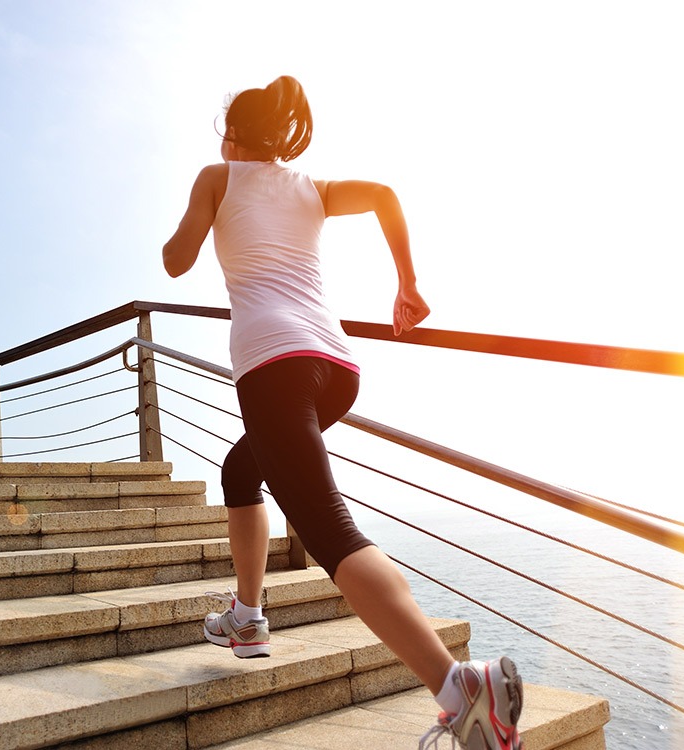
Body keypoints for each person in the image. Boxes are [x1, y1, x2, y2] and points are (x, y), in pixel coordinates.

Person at [162, 75, 523, 750]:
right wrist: (407, 287)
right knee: (241, 472)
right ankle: (247, 615)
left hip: (272, 363)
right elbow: (386, 194)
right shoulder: (310, 187)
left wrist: (194, 221)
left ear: (233, 133)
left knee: (330, 531)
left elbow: (176, 261)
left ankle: (459, 690)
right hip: (336, 367)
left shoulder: (218, 175)